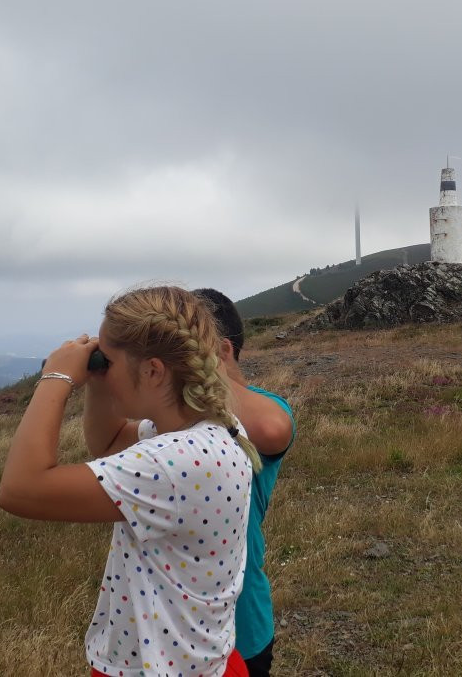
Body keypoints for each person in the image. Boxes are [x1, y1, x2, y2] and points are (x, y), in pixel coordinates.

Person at [0, 286, 261, 677]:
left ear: (153, 371)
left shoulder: (174, 463)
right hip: (203, 662)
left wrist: (55, 376)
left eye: (109, 362)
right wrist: (103, 379)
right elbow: (108, 442)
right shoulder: (211, 430)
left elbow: (19, 489)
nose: (102, 368)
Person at [194, 289, 295, 677]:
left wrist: (206, 367)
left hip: (241, 623)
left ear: (223, 350)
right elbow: (109, 439)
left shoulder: (263, 410)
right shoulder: (170, 417)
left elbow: (271, 429)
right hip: (170, 631)